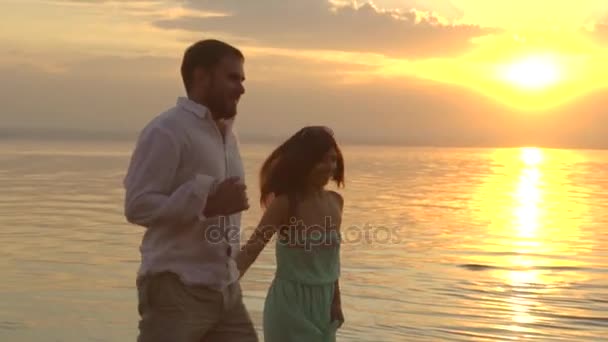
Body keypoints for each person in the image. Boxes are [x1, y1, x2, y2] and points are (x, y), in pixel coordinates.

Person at [123, 39, 258, 342]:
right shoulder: (167, 130)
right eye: (232, 78)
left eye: (242, 79)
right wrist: (205, 203)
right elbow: (137, 205)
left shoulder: (227, 136)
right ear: (201, 76)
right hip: (177, 288)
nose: (241, 88)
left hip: (225, 289)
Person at [237, 126, 346, 342]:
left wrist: (336, 301)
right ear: (303, 162)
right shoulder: (286, 203)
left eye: (333, 160)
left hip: (324, 306)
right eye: (321, 160)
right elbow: (251, 250)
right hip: (290, 304)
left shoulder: (336, 202)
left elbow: (332, 262)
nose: (330, 167)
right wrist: (216, 286)